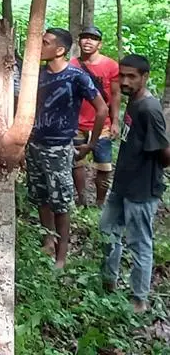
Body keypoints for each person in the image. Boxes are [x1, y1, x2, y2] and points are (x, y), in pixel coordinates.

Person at [27, 28, 107, 268]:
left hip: (60, 147)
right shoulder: (37, 75)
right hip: (35, 145)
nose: (39, 46)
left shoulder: (76, 76)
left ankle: (61, 257)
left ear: (59, 50)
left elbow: (101, 108)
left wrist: (90, 144)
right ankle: (47, 240)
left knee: (61, 203)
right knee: (41, 196)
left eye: (45, 42)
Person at [101, 54, 170, 314]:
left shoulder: (149, 109)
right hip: (123, 184)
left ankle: (139, 298)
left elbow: (164, 154)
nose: (125, 81)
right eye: (122, 75)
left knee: (140, 242)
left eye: (132, 76)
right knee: (107, 229)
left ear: (144, 77)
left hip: (142, 189)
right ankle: (108, 282)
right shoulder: (133, 101)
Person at [69, 26, 120, 206]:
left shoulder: (111, 65)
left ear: (100, 43)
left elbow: (114, 95)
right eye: (85, 37)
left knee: (104, 166)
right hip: (76, 122)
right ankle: (82, 198)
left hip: (102, 123)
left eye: (93, 38)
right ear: (79, 41)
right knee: (77, 162)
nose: (88, 41)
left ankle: (99, 202)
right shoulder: (72, 65)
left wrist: (115, 122)